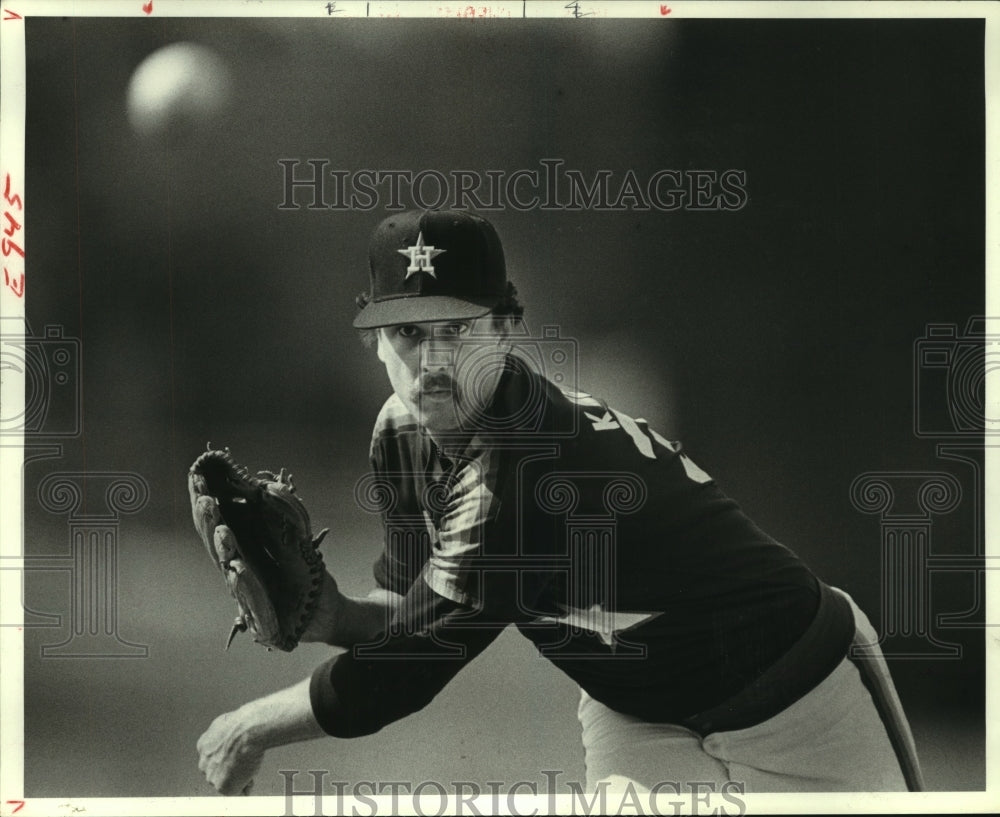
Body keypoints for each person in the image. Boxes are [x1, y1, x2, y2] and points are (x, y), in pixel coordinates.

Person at [196, 208, 924, 796]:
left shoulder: (522, 466)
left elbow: (406, 669)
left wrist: (248, 726)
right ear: (373, 341)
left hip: (802, 692)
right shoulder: (400, 434)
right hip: (639, 715)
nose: (433, 359)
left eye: (457, 329)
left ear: (507, 330)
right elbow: (414, 611)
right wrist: (335, 617)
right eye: (409, 333)